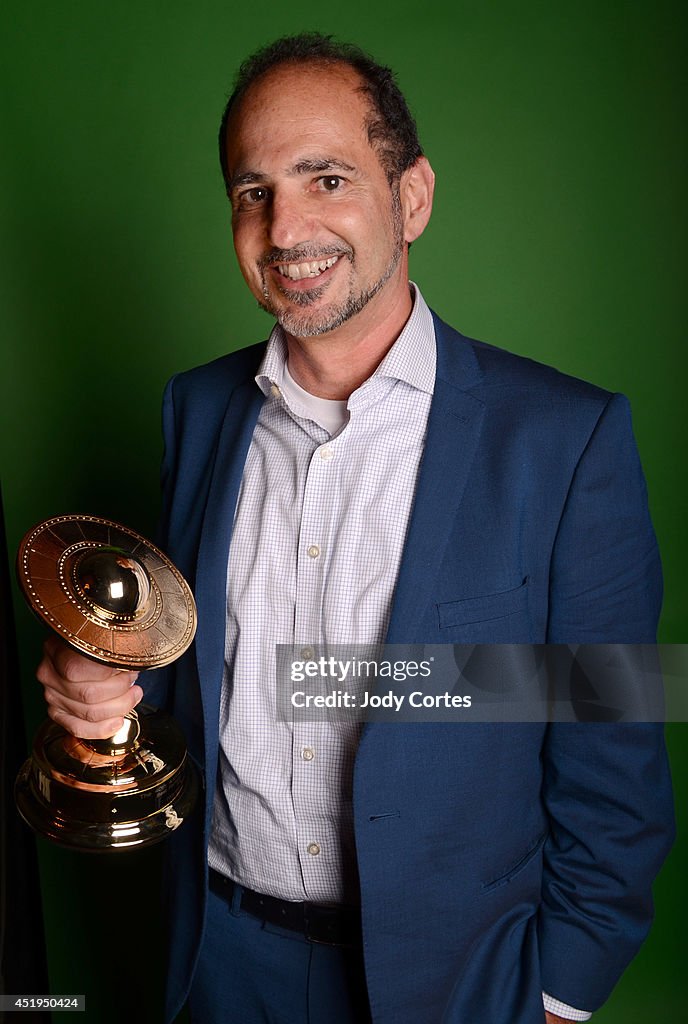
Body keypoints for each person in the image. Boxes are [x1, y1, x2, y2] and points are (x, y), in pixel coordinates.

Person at [36, 33, 674, 1024]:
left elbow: (614, 748)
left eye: (325, 178)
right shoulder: (196, 409)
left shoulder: (566, 439)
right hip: (218, 959)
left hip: (455, 985)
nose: (287, 225)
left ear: (410, 197)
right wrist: (106, 680)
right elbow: (202, 658)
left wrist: (559, 992)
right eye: (253, 191)